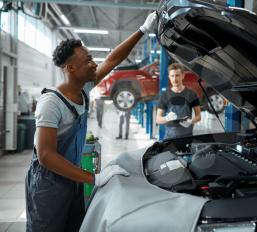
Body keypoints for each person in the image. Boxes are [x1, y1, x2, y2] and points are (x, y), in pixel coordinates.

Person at [25, 12, 156, 232]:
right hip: (48, 185)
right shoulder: (51, 103)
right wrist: (93, 178)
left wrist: (142, 30)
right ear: (71, 68)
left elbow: (113, 60)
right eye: (87, 60)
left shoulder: (84, 89)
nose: (94, 64)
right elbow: (46, 156)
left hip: (71, 178)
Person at [156, 63, 201, 139]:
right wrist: (167, 118)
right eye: (172, 76)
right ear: (169, 77)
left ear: (183, 76)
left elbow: (198, 116)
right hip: (169, 138)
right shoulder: (164, 95)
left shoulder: (191, 94)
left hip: (187, 137)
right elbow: (158, 119)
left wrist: (190, 121)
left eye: (177, 75)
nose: (174, 79)